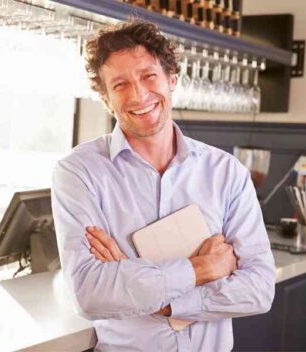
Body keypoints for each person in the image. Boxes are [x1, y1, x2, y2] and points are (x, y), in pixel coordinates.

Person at [51, 19, 275, 352]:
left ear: (172, 80)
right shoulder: (78, 172)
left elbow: (258, 289)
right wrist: (202, 268)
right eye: (121, 84)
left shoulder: (226, 171)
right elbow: (89, 294)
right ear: (106, 98)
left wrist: (155, 297)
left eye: (148, 76)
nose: (139, 94)